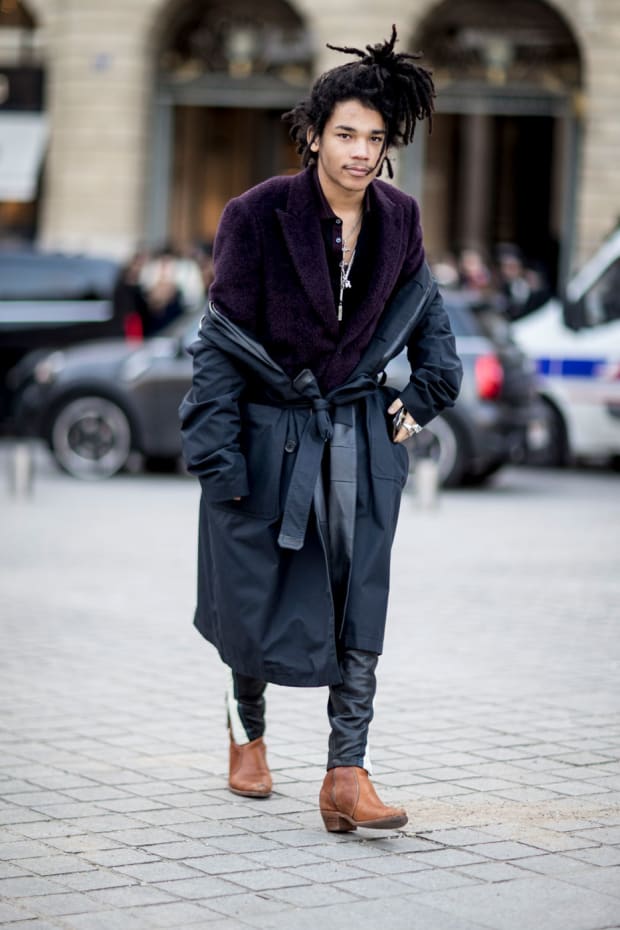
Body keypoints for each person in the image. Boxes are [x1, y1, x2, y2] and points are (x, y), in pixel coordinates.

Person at [179, 25, 463, 833]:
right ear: (313, 134)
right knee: (250, 592)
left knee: (359, 596)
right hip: (267, 438)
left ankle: (346, 773)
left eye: (375, 139)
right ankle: (248, 733)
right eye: (345, 134)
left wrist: (425, 395)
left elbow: (428, 317)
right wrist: (218, 457)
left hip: (358, 443)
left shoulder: (400, 220)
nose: (360, 152)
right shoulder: (257, 214)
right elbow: (221, 343)